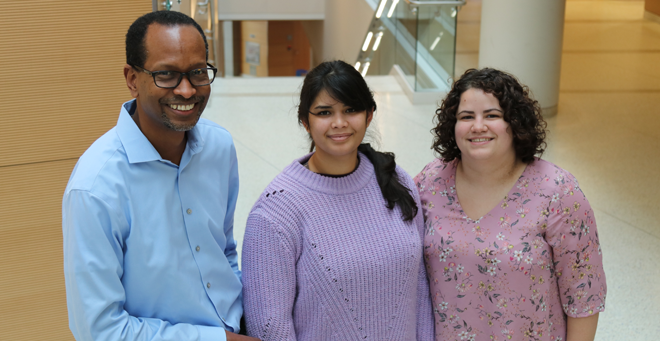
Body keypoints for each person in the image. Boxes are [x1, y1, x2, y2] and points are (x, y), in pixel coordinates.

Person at [62, 11, 257, 341]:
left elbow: (222, 249)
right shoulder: (95, 187)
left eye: (197, 73)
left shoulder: (219, 147)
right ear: (132, 78)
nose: (186, 90)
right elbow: (100, 330)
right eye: (166, 75)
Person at [241, 60, 434, 340]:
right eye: (324, 112)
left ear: (369, 116)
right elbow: (270, 328)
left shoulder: (396, 180)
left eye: (351, 110)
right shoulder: (275, 212)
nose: (340, 122)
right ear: (305, 121)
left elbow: (420, 289)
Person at [414, 68, 607, 341]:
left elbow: (584, 296)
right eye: (466, 116)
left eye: (492, 115)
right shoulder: (430, 182)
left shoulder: (557, 192)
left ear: (515, 122)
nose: (477, 126)